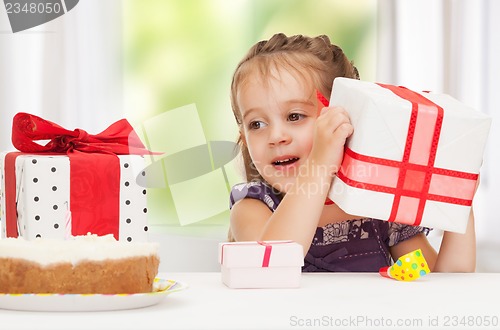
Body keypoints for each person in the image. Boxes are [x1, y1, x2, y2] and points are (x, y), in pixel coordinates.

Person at [227, 33, 476, 272]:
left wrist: (462, 201)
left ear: (346, 120)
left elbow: (442, 284)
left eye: (295, 116)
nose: (276, 137)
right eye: (256, 124)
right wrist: (319, 166)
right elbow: (271, 268)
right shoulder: (252, 208)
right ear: (245, 139)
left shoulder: (378, 207)